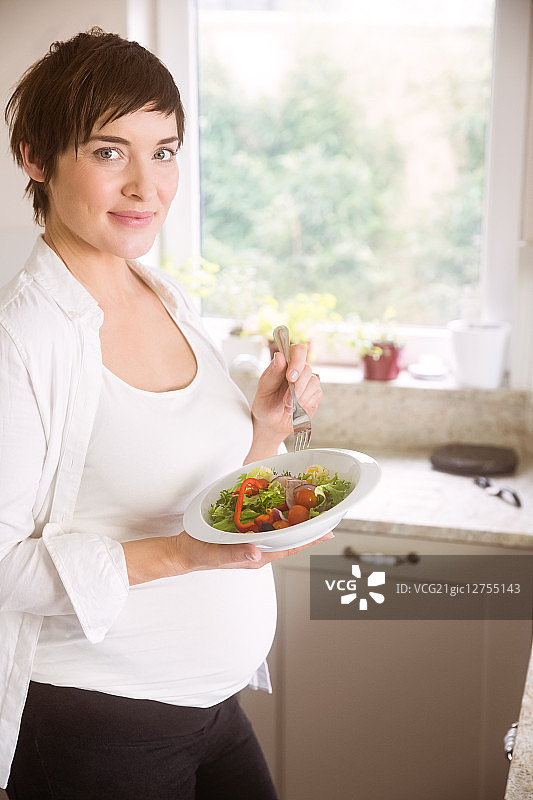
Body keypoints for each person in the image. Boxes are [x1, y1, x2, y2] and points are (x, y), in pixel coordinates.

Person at [0, 28, 326, 799]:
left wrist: (266, 430)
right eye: (109, 152)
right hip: (97, 727)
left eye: (165, 151)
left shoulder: (164, 295)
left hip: (213, 707)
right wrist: (182, 556)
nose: (146, 186)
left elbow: (205, 500)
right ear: (36, 159)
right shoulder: (22, 339)